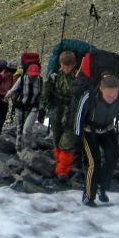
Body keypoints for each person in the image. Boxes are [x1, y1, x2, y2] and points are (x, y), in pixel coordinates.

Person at [74, 74, 119, 207]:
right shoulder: (89, 97)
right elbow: (78, 118)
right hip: (89, 131)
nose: (112, 99)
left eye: (114, 96)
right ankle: (88, 197)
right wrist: (77, 139)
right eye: (108, 96)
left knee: (113, 157)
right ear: (101, 89)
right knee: (94, 162)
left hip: (108, 130)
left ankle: (101, 187)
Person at [40, 51, 77, 181]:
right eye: (63, 65)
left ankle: (62, 171)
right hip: (56, 111)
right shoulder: (54, 76)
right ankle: (59, 164)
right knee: (57, 140)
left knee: (66, 143)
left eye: (69, 66)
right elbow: (46, 92)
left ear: (74, 65)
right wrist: (42, 108)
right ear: (60, 64)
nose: (66, 68)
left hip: (72, 114)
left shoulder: (79, 77)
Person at [5, 63, 42, 151]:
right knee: (19, 129)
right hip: (20, 107)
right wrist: (6, 96)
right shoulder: (22, 80)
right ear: (28, 73)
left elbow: (42, 94)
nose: (33, 77)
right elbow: (13, 90)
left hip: (33, 107)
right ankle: (18, 148)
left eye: (35, 75)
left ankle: (27, 148)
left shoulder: (40, 81)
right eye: (32, 75)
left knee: (27, 128)